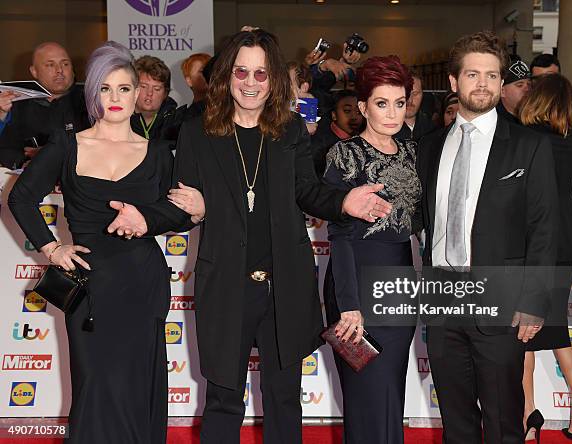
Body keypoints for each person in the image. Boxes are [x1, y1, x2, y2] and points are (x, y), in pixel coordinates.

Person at [105, 29, 392, 444]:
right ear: (227, 75)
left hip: (285, 284)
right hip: (225, 284)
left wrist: (343, 202)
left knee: (284, 398)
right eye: (242, 71)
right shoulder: (197, 132)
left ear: (274, 78)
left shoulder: (289, 129)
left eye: (261, 73)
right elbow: (181, 205)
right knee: (223, 400)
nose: (251, 82)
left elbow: (306, 191)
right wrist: (146, 219)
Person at [8, 41, 179, 443]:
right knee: (95, 386)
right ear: (92, 94)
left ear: (138, 94)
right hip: (92, 286)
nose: (115, 98)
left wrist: (152, 218)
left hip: (142, 282)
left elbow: (182, 215)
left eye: (123, 88)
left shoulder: (158, 153)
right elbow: (21, 198)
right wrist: (53, 248)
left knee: (138, 388)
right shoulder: (68, 145)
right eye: (105, 88)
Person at [417, 31, 558, 444]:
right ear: (454, 82)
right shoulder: (430, 146)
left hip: (502, 301)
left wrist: (534, 301)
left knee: (503, 422)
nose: (483, 84)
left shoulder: (529, 146)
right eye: (473, 74)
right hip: (443, 299)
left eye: (492, 76)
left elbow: (545, 227)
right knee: (456, 422)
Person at [322, 55, 421, 444]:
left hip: (400, 284)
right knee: (366, 394)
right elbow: (340, 235)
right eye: (382, 103)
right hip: (357, 284)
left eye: (400, 102)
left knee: (390, 391)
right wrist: (348, 303)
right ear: (363, 107)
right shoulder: (343, 156)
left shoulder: (414, 154)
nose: (392, 113)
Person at [518, 73, 572, 443]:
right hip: (566, 238)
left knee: (521, 328)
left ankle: (527, 414)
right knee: (556, 324)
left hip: (529, 237)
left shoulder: (522, 137)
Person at [0, 42, 90, 168]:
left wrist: (52, 154)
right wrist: (25, 163)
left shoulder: (91, 102)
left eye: (65, 64)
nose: (59, 70)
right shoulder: (17, 105)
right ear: (34, 71)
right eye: (50, 65)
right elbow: (6, 149)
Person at [310, 89, 363, 178]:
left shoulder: (364, 139)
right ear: (334, 115)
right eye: (347, 111)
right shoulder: (320, 147)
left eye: (358, 112)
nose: (354, 117)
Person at [131, 55, 180, 141]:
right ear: (133, 89)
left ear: (165, 93)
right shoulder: (119, 120)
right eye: (143, 86)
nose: (149, 93)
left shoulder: (177, 124)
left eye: (156, 89)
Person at [530, 53, 572, 123]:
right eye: (538, 79)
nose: (543, 84)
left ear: (559, 79)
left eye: (550, 78)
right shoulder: (524, 104)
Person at [396, 70, 437, 143]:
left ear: (422, 95)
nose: (410, 100)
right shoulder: (385, 130)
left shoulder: (433, 129)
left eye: (415, 94)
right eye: (405, 93)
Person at [177, 53, 212, 120]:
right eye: (202, 71)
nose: (209, 74)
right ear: (189, 81)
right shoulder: (183, 118)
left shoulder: (228, 109)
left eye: (211, 69)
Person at [497, 57, 531, 124]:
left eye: (529, 84)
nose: (527, 89)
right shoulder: (494, 122)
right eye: (520, 85)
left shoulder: (536, 119)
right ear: (502, 91)